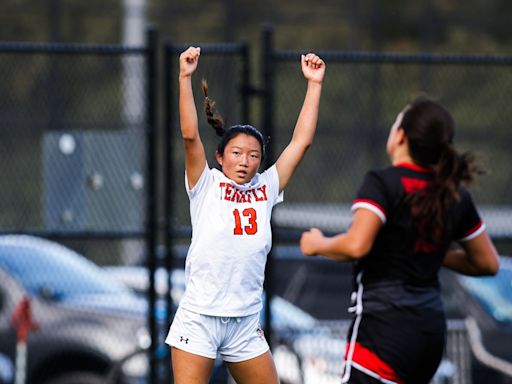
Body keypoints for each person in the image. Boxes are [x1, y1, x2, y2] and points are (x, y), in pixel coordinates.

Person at [300, 97, 499, 384]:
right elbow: (487, 262)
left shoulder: (384, 182)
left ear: (401, 135)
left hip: (384, 331)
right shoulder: (454, 193)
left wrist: (318, 244)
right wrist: (435, 250)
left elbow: (357, 245)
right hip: (429, 334)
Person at [166, 46, 325, 384]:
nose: (244, 161)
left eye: (253, 155)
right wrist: (184, 77)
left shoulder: (266, 187)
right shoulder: (205, 183)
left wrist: (314, 84)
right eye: (236, 153)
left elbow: (301, 143)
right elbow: (189, 134)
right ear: (220, 156)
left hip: (244, 322)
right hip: (200, 318)